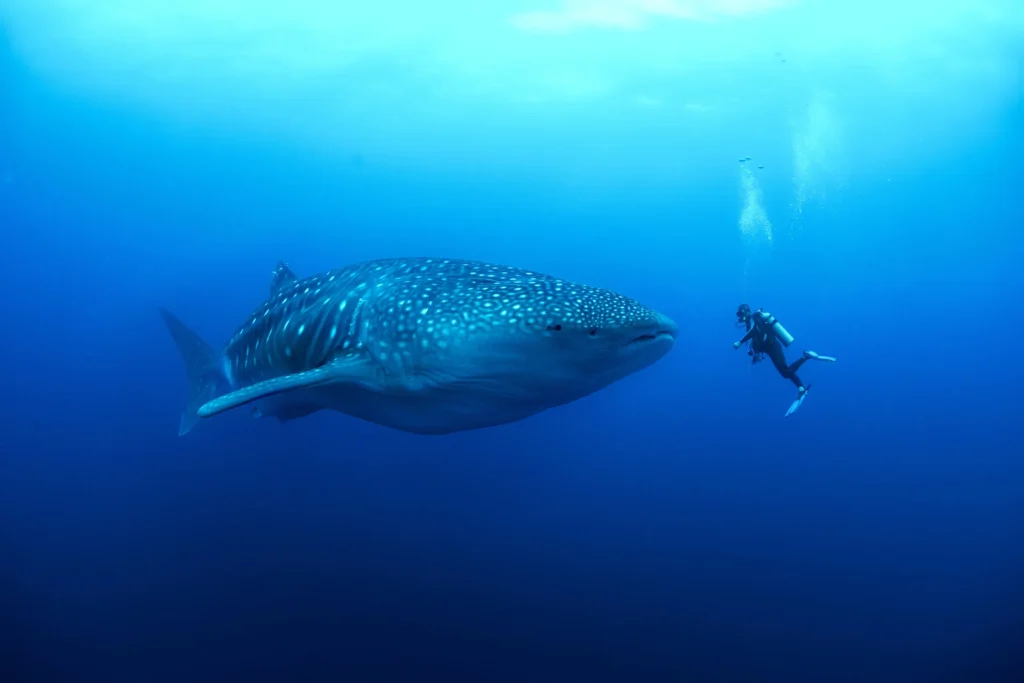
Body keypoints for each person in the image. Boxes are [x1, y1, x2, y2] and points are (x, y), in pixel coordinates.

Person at [732, 303, 836, 415]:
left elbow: (754, 332)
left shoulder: (755, 318)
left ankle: (805, 360)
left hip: (773, 348)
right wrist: (755, 356)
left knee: (785, 371)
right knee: (785, 373)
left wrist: (740, 342)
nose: (740, 317)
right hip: (769, 349)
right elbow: (755, 340)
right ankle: (801, 387)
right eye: (739, 314)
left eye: (741, 313)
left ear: (747, 312)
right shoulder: (749, 324)